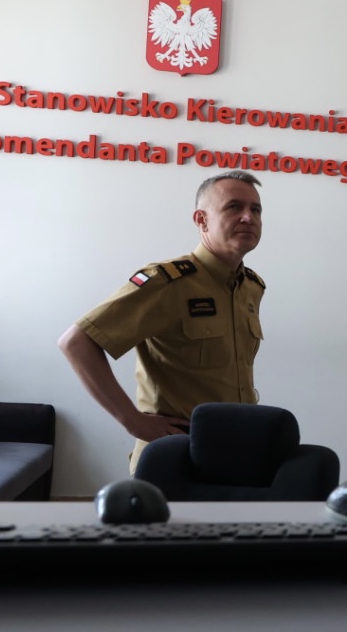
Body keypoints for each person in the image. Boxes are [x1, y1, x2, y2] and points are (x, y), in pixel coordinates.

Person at [58, 170, 266, 473]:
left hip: (234, 447)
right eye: (234, 207)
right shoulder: (167, 283)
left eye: (256, 209)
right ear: (202, 220)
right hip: (175, 455)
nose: (248, 217)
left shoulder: (251, 286)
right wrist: (133, 421)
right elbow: (76, 343)